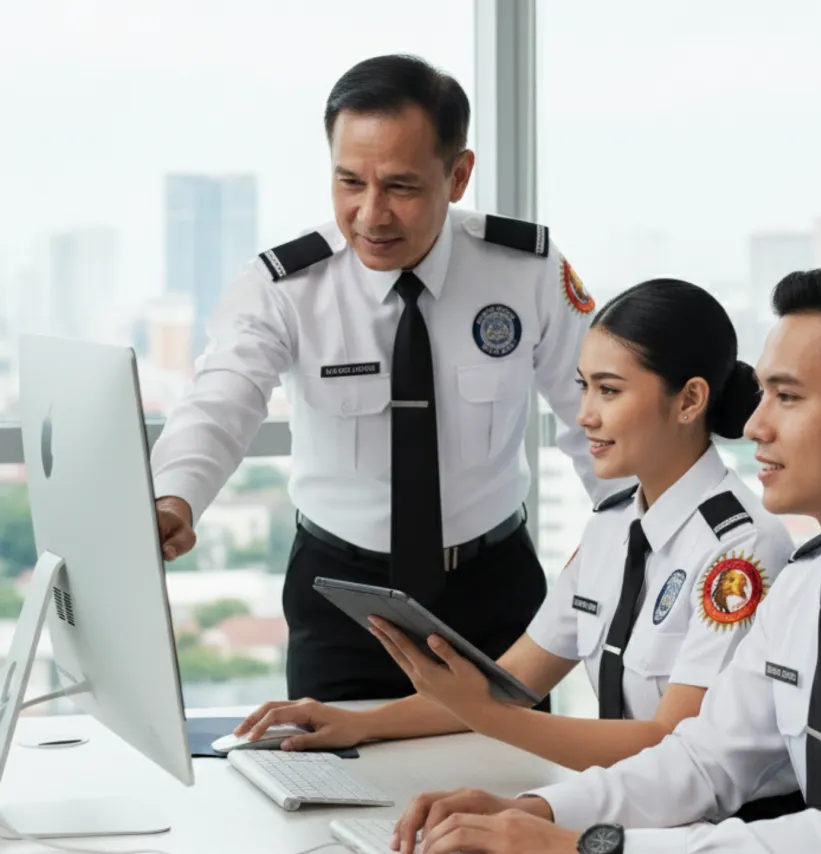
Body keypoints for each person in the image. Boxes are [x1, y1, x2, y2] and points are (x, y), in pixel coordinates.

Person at [387, 266, 821, 854]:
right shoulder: (812, 581)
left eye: (786, 398)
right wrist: (540, 811)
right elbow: (704, 761)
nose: (753, 425)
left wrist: (588, 846)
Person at [150, 54, 617, 702]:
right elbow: (223, 396)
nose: (371, 214)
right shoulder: (288, 286)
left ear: (458, 176)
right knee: (329, 787)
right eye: (349, 183)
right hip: (341, 599)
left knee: (509, 787)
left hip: (493, 591)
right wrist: (176, 494)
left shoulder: (524, 270)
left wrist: (624, 528)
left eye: (400, 186)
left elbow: (598, 412)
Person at [236, 281, 797, 816]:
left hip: (729, 828)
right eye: (583, 387)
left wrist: (484, 716)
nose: (585, 416)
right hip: (635, 809)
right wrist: (362, 723)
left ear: (690, 400)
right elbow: (515, 681)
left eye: (609, 389)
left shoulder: (740, 550)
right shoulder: (614, 525)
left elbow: (670, 746)